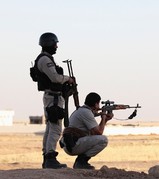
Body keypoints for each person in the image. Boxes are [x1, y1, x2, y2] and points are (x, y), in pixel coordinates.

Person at [35, 32, 74, 169]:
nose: (56, 46)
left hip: (53, 97)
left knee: (50, 127)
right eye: (55, 43)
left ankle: (48, 157)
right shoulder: (45, 60)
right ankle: (50, 157)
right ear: (49, 43)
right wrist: (68, 78)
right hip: (53, 98)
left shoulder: (46, 58)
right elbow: (55, 78)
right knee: (56, 128)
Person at [60, 92, 113, 169]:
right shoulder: (86, 112)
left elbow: (94, 133)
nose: (99, 107)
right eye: (98, 104)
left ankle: (81, 162)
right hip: (72, 145)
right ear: (95, 104)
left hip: (69, 144)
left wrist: (105, 119)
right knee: (103, 140)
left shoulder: (82, 110)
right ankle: (81, 162)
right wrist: (104, 117)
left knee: (95, 137)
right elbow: (99, 132)